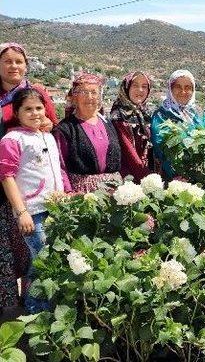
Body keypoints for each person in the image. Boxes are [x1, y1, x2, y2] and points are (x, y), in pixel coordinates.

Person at [0, 89, 64, 313]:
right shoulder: (12, 139)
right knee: (43, 261)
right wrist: (21, 212)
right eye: (28, 109)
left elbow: (58, 170)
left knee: (47, 262)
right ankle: (37, 312)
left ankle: (43, 310)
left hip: (56, 208)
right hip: (33, 211)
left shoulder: (47, 136)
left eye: (38, 108)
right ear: (17, 112)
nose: (35, 113)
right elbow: (6, 176)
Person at [54, 73, 122, 193]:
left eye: (94, 92)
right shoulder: (65, 129)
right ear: (75, 96)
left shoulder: (108, 123)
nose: (90, 97)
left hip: (114, 191)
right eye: (84, 92)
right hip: (84, 195)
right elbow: (60, 166)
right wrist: (69, 193)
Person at [150, 70, 205, 179]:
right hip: (173, 177)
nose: (183, 91)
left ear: (193, 90)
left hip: (199, 175)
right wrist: (176, 173)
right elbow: (160, 146)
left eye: (187, 87)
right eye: (178, 87)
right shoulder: (162, 115)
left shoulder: (200, 114)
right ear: (170, 89)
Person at [110, 71, 154, 182]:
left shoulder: (145, 114)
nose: (140, 90)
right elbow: (128, 150)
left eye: (144, 86)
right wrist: (146, 177)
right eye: (135, 85)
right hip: (129, 176)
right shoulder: (119, 115)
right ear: (126, 87)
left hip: (147, 173)